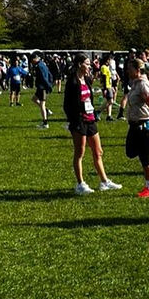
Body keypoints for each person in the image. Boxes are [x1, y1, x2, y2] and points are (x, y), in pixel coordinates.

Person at [61, 53, 122, 195]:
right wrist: (73, 120)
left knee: (98, 151)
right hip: (79, 121)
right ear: (79, 64)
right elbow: (67, 104)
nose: (90, 66)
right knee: (80, 152)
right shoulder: (72, 82)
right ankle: (80, 183)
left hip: (90, 119)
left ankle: (104, 181)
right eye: (87, 64)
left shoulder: (87, 80)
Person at [124, 58, 149, 198]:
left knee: (145, 157)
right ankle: (148, 185)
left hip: (143, 126)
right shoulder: (135, 84)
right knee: (130, 152)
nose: (127, 71)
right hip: (134, 125)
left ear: (137, 70)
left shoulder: (143, 85)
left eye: (130, 68)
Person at [31, 52, 53, 128]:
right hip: (41, 87)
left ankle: (45, 123)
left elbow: (43, 78)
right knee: (34, 99)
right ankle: (47, 111)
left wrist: (48, 86)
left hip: (42, 87)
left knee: (42, 104)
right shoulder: (43, 64)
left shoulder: (39, 66)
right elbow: (50, 74)